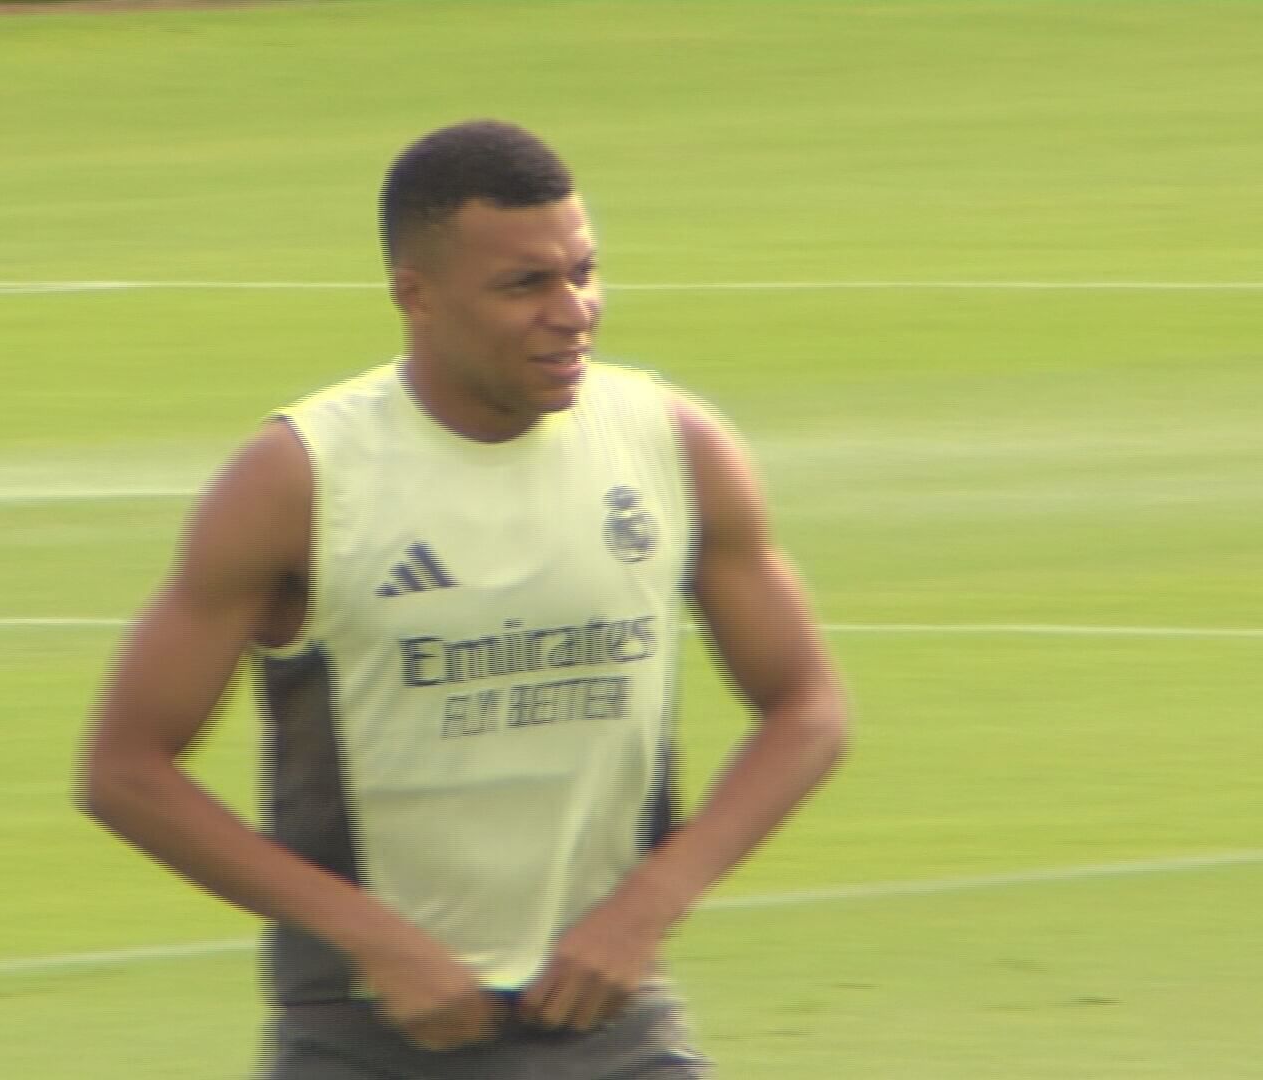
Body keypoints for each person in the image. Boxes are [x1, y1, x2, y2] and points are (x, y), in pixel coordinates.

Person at [77, 119, 849, 1080]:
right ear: (417, 295)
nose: (573, 311)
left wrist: (646, 907)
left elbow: (810, 710)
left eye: (583, 270)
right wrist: (366, 933)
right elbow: (123, 770)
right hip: (366, 1039)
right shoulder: (300, 480)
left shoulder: (672, 446)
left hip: (615, 1028)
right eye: (526, 285)